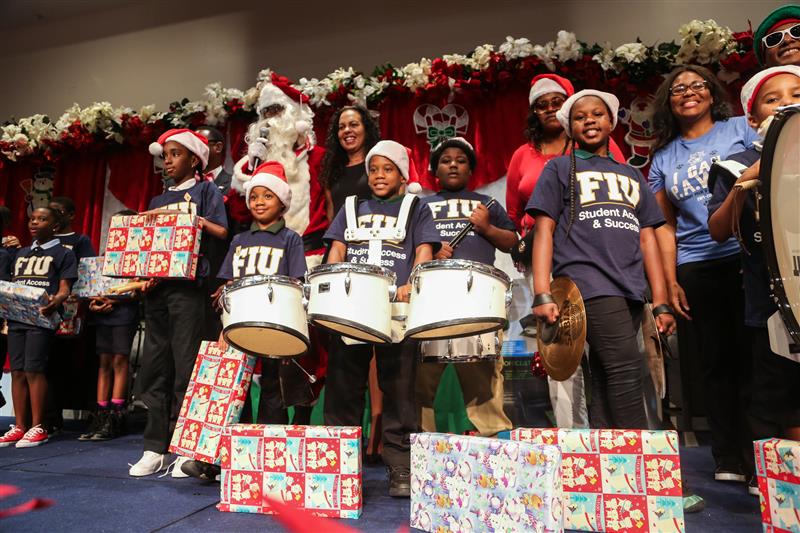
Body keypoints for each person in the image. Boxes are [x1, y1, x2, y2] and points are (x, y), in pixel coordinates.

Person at [528, 89, 675, 430]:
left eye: (597, 114)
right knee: (625, 369)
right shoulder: (559, 168)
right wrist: (541, 292)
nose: (589, 120)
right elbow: (544, 231)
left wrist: (661, 300)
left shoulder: (632, 174)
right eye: (579, 117)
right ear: (569, 127)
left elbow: (648, 237)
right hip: (588, 282)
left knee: (611, 374)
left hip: (631, 287)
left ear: (611, 122)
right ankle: (637, 456)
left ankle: (609, 463)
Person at [648, 65, 759, 484]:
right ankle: (727, 456)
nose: (688, 93)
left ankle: (758, 460)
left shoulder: (739, 129)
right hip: (696, 263)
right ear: (669, 102)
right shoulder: (663, 158)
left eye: (697, 85)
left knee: (754, 358)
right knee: (714, 362)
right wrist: (671, 277)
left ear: (712, 94)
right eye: (678, 88)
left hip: (746, 255)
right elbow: (665, 227)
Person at [507, 74, 625, 430]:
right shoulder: (522, 155)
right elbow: (515, 211)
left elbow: (621, 186)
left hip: (592, 256)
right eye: (541, 105)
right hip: (544, 260)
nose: (549, 109)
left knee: (604, 346)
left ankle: (611, 434)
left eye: (556, 102)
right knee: (561, 348)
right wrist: (523, 244)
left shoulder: (595, 146)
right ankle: (571, 437)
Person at [324, 140, 441, 497]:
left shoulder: (415, 207)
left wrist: (411, 284)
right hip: (352, 307)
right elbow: (336, 251)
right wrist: (330, 286)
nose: (378, 176)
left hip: (396, 310)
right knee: (344, 389)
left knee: (399, 389)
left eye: (387, 169)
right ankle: (338, 465)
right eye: (373, 169)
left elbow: (422, 252)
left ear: (402, 175)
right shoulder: (350, 207)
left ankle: (400, 466)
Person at [182, 160, 308, 481]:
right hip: (238, 327)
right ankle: (217, 459)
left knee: (272, 392)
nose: (259, 202)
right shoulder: (239, 241)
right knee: (228, 393)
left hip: (272, 327)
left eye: (267, 196)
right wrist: (225, 327)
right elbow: (227, 286)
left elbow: (296, 283)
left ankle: (267, 459)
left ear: (282, 202)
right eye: (254, 197)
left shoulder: (290, 239)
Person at [707, 65, 800, 494]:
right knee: (776, 395)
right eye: (773, 98)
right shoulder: (734, 164)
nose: (787, 102)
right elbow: (718, 229)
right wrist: (747, 179)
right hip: (772, 305)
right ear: (753, 118)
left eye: (796, 93)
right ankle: (782, 488)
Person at [128, 128, 228, 477]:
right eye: (165, 156)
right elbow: (150, 248)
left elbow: (221, 230)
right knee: (155, 368)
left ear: (194, 159)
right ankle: (154, 446)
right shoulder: (157, 200)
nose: (167, 161)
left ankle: (187, 450)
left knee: (186, 368)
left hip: (189, 291)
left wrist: (190, 221)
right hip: (158, 292)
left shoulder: (205, 191)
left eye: (174, 154)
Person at [229, 72, 328, 423]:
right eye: (265, 112)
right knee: (257, 353)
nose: (272, 119)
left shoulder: (317, 160)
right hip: (259, 268)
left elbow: (331, 209)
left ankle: (300, 424)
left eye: (278, 110)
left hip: (306, 260)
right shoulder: (251, 167)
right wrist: (246, 176)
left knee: (303, 350)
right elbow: (238, 212)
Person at [417, 137, 516, 437]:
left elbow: (513, 243)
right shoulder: (421, 205)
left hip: (477, 302)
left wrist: (486, 228)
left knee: (482, 368)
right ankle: (424, 440)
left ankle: (491, 438)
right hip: (431, 302)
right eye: (446, 160)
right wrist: (432, 254)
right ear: (435, 170)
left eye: (461, 160)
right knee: (423, 373)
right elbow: (409, 248)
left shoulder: (487, 204)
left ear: (471, 169)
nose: (453, 165)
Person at [0, 206, 77, 447]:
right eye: (32, 219)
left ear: (54, 226)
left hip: (41, 318)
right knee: (19, 371)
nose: (34, 223)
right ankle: (20, 425)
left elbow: (65, 288)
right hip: (17, 318)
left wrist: (57, 300)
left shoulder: (63, 253)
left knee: (34, 370)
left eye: (42, 219)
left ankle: (38, 425)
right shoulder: (21, 252)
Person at [79, 209, 141, 442]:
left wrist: (113, 299)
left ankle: (116, 416)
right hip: (103, 314)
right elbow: (91, 286)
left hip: (124, 312)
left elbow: (139, 290)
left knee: (119, 360)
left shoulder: (139, 253)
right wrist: (94, 303)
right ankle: (100, 414)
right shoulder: (106, 255)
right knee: (103, 361)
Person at [46, 196, 98, 435]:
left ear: (70, 215)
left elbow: (88, 271)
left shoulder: (80, 240)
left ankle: (88, 413)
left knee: (76, 361)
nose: (54, 218)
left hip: (72, 309)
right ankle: (49, 417)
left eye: (58, 212)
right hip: (46, 308)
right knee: (48, 362)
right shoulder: (44, 241)